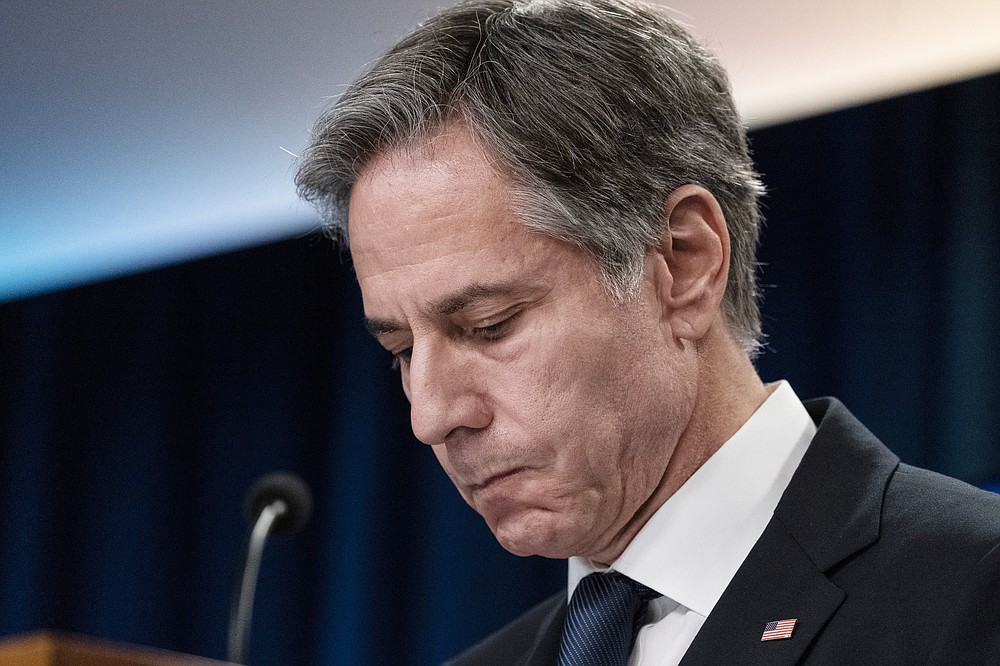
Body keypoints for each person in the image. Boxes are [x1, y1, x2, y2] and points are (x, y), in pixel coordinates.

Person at [295, 0, 1000, 663]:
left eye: (490, 325)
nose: (432, 416)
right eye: (402, 352)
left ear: (684, 263)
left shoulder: (971, 588)